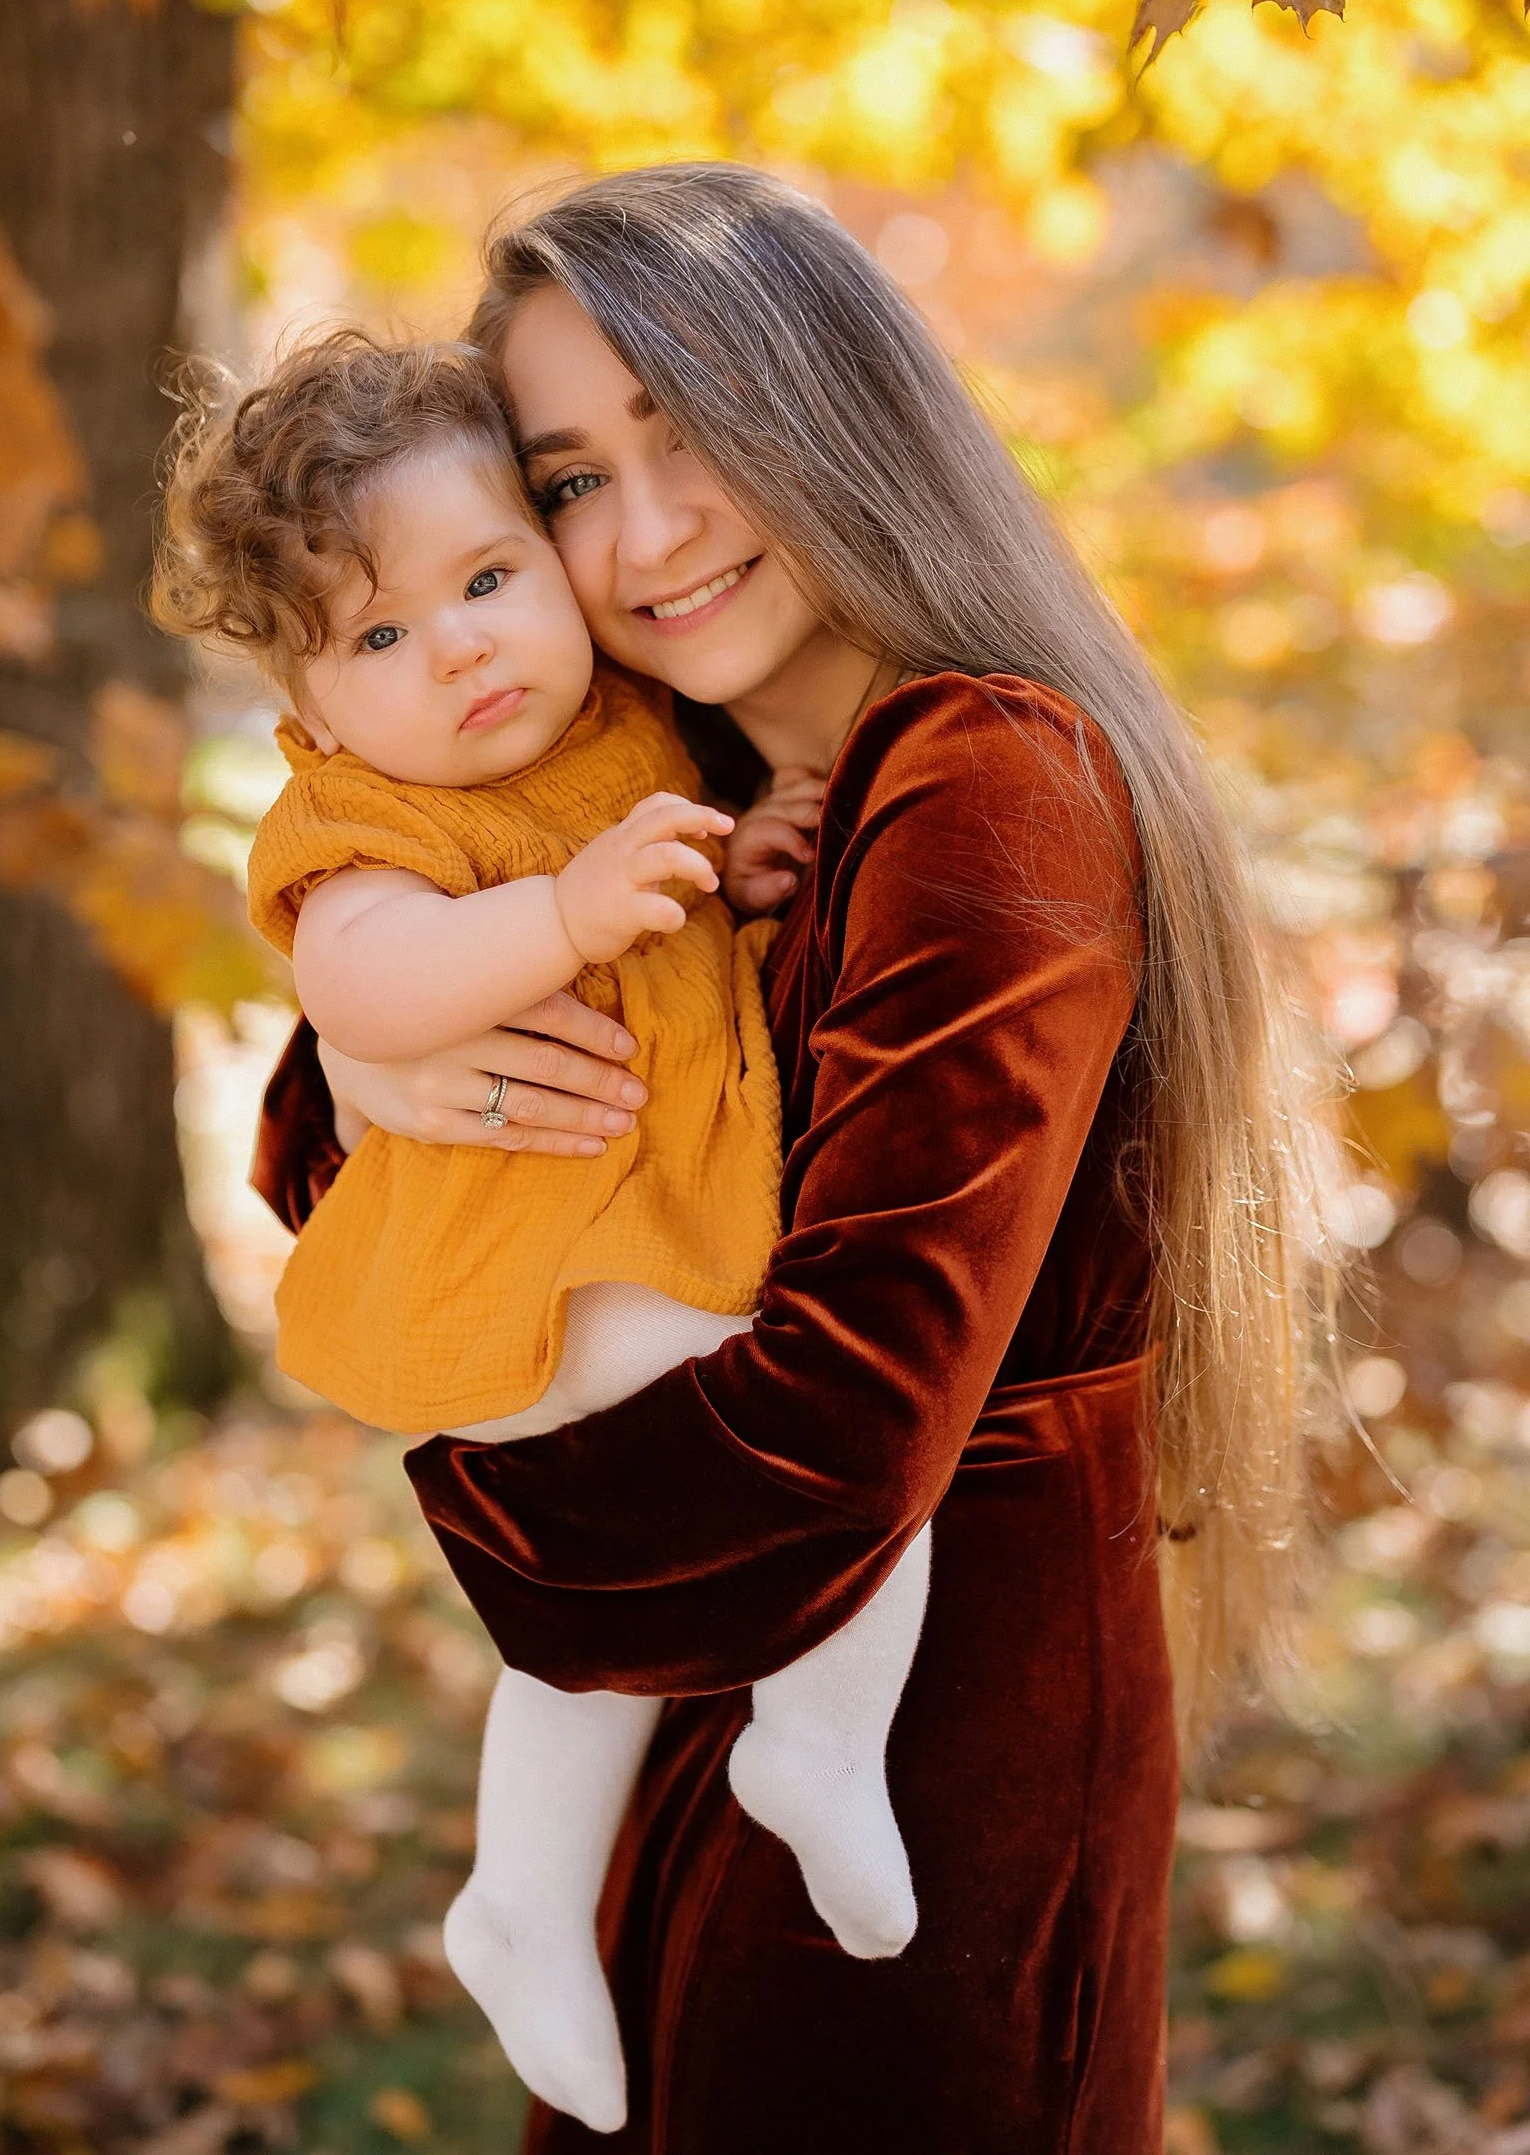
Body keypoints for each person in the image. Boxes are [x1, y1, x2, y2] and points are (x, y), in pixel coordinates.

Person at [253, 163, 1332, 2154]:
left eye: (690, 432)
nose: (641, 532)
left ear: (825, 409)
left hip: (929, 1739)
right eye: (566, 479)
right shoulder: (687, 794)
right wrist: (370, 1061)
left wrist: (494, 1501)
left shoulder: (988, 774)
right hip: (700, 1662)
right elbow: (354, 1144)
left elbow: (849, 1399)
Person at [152, 333, 932, 2135]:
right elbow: (373, 975)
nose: (463, 649)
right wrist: (565, 916)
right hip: (527, 1275)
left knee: (584, 1659)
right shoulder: (361, 820)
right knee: (823, 1472)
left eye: (489, 579)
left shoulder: (625, 736)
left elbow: (670, 949)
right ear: (306, 703)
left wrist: (722, 875)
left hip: (636, 1237)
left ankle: (518, 1904)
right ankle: (812, 1742)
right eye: (378, 639)